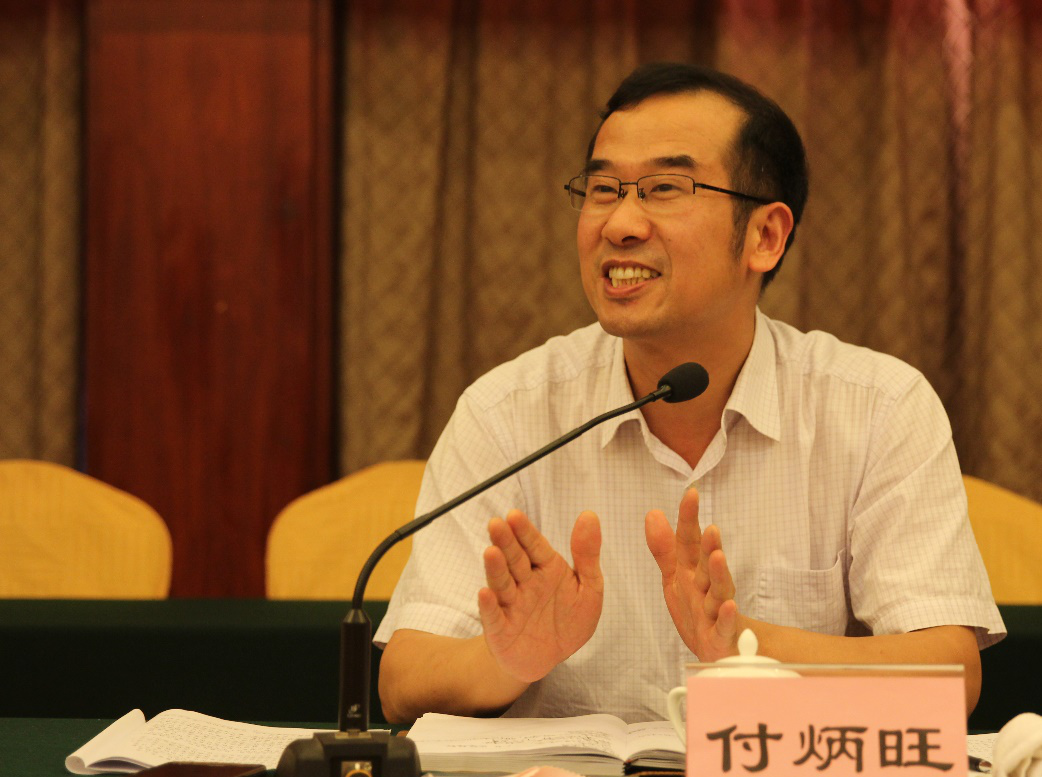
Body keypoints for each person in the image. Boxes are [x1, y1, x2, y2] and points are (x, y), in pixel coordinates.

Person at [376, 62, 1005, 725]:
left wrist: (746, 646)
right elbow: (402, 680)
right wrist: (509, 660)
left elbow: (949, 675)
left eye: (664, 189)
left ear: (764, 237)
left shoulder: (875, 407)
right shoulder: (508, 412)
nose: (619, 223)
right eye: (602, 189)